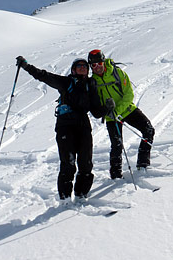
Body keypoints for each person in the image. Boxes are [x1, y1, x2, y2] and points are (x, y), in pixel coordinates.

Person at [16, 56, 114, 201]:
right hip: (65, 125)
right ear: (73, 70)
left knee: (86, 164)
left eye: (85, 67)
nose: (82, 68)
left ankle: (81, 195)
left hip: (83, 126)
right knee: (68, 163)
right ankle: (65, 199)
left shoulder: (90, 84)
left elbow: (96, 111)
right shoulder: (66, 82)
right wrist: (26, 66)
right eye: (79, 66)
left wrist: (107, 108)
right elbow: (43, 76)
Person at [87, 49, 155, 179]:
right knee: (117, 145)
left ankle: (142, 164)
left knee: (148, 130)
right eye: (93, 65)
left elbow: (129, 94)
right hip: (111, 117)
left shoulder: (117, 73)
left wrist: (117, 111)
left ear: (103, 62)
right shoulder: (93, 82)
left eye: (99, 64)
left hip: (127, 110)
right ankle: (116, 175)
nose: (97, 67)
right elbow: (95, 104)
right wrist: (106, 110)